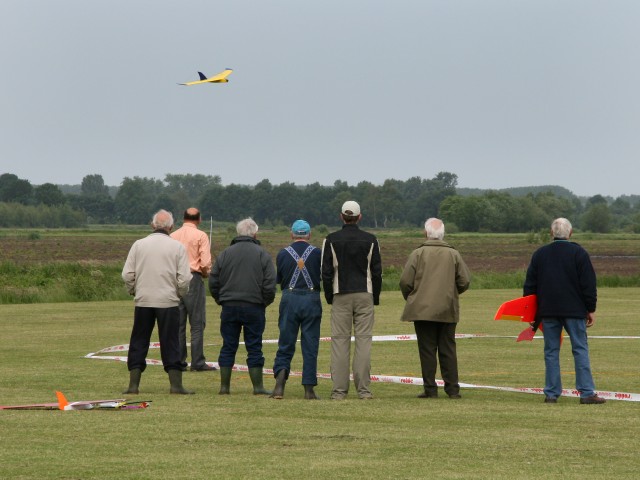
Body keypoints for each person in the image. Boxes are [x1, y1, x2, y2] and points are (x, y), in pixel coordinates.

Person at [523, 217, 605, 404]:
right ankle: (586, 393)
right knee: (580, 349)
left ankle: (551, 394)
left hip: (548, 311)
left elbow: (530, 286)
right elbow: (588, 284)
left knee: (551, 351)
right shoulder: (579, 253)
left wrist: (531, 312)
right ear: (571, 233)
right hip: (575, 311)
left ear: (551, 233)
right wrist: (590, 308)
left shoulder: (540, 254)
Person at [121, 209, 194, 395]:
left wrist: (134, 290)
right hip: (168, 302)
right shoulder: (177, 247)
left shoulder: (138, 245)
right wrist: (179, 294)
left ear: (152, 225)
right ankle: (176, 385)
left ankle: (133, 385)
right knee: (171, 342)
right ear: (171, 227)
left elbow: (127, 274)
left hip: (143, 301)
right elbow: (185, 278)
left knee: (138, 340)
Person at [399, 218, 471, 399]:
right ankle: (452, 390)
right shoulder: (454, 254)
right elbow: (464, 281)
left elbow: (405, 281)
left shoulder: (417, 254)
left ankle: (430, 389)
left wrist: (413, 297)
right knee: (448, 349)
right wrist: (451, 293)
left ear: (426, 233)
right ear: (443, 234)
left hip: (422, 310)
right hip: (447, 308)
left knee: (427, 350)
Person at [321, 201, 382, 400]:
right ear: (359, 217)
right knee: (364, 341)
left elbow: (326, 273)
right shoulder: (371, 240)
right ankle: (364, 391)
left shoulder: (331, 240)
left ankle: (339, 391)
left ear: (342, 217)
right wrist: (375, 297)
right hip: (365, 294)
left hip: (340, 294)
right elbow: (377, 272)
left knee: (340, 342)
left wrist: (329, 296)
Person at [209, 218, 277, 395]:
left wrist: (221, 299)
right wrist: (264, 302)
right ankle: (258, 387)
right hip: (254, 306)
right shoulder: (262, 254)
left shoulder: (225, 253)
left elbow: (213, 280)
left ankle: (224, 387)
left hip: (229, 306)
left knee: (228, 346)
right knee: (254, 347)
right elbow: (270, 283)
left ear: (238, 233)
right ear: (255, 234)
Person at [270, 220, 322, 400]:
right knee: (310, 345)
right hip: (311, 299)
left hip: (289, 299)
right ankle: (309, 389)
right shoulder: (317, 253)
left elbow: (279, 279)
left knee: (285, 343)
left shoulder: (283, 253)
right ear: (309, 235)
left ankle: (279, 386)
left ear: (292, 234)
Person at [170, 208, 216, 372]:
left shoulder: (172, 235)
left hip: (175, 279)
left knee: (178, 323)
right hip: (193, 278)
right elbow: (205, 262)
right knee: (197, 322)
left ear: (184, 218)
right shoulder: (201, 236)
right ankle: (197, 362)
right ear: (199, 219)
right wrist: (205, 273)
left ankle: (179, 361)